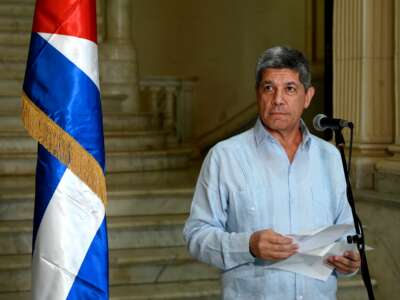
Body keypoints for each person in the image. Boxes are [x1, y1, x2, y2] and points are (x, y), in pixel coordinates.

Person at [183, 46, 361, 299]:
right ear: (258, 94)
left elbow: (346, 231)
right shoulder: (225, 156)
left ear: (308, 96)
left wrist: (350, 261)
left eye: (289, 88)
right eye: (269, 88)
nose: (278, 99)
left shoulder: (329, 157)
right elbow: (196, 235)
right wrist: (249, 245)